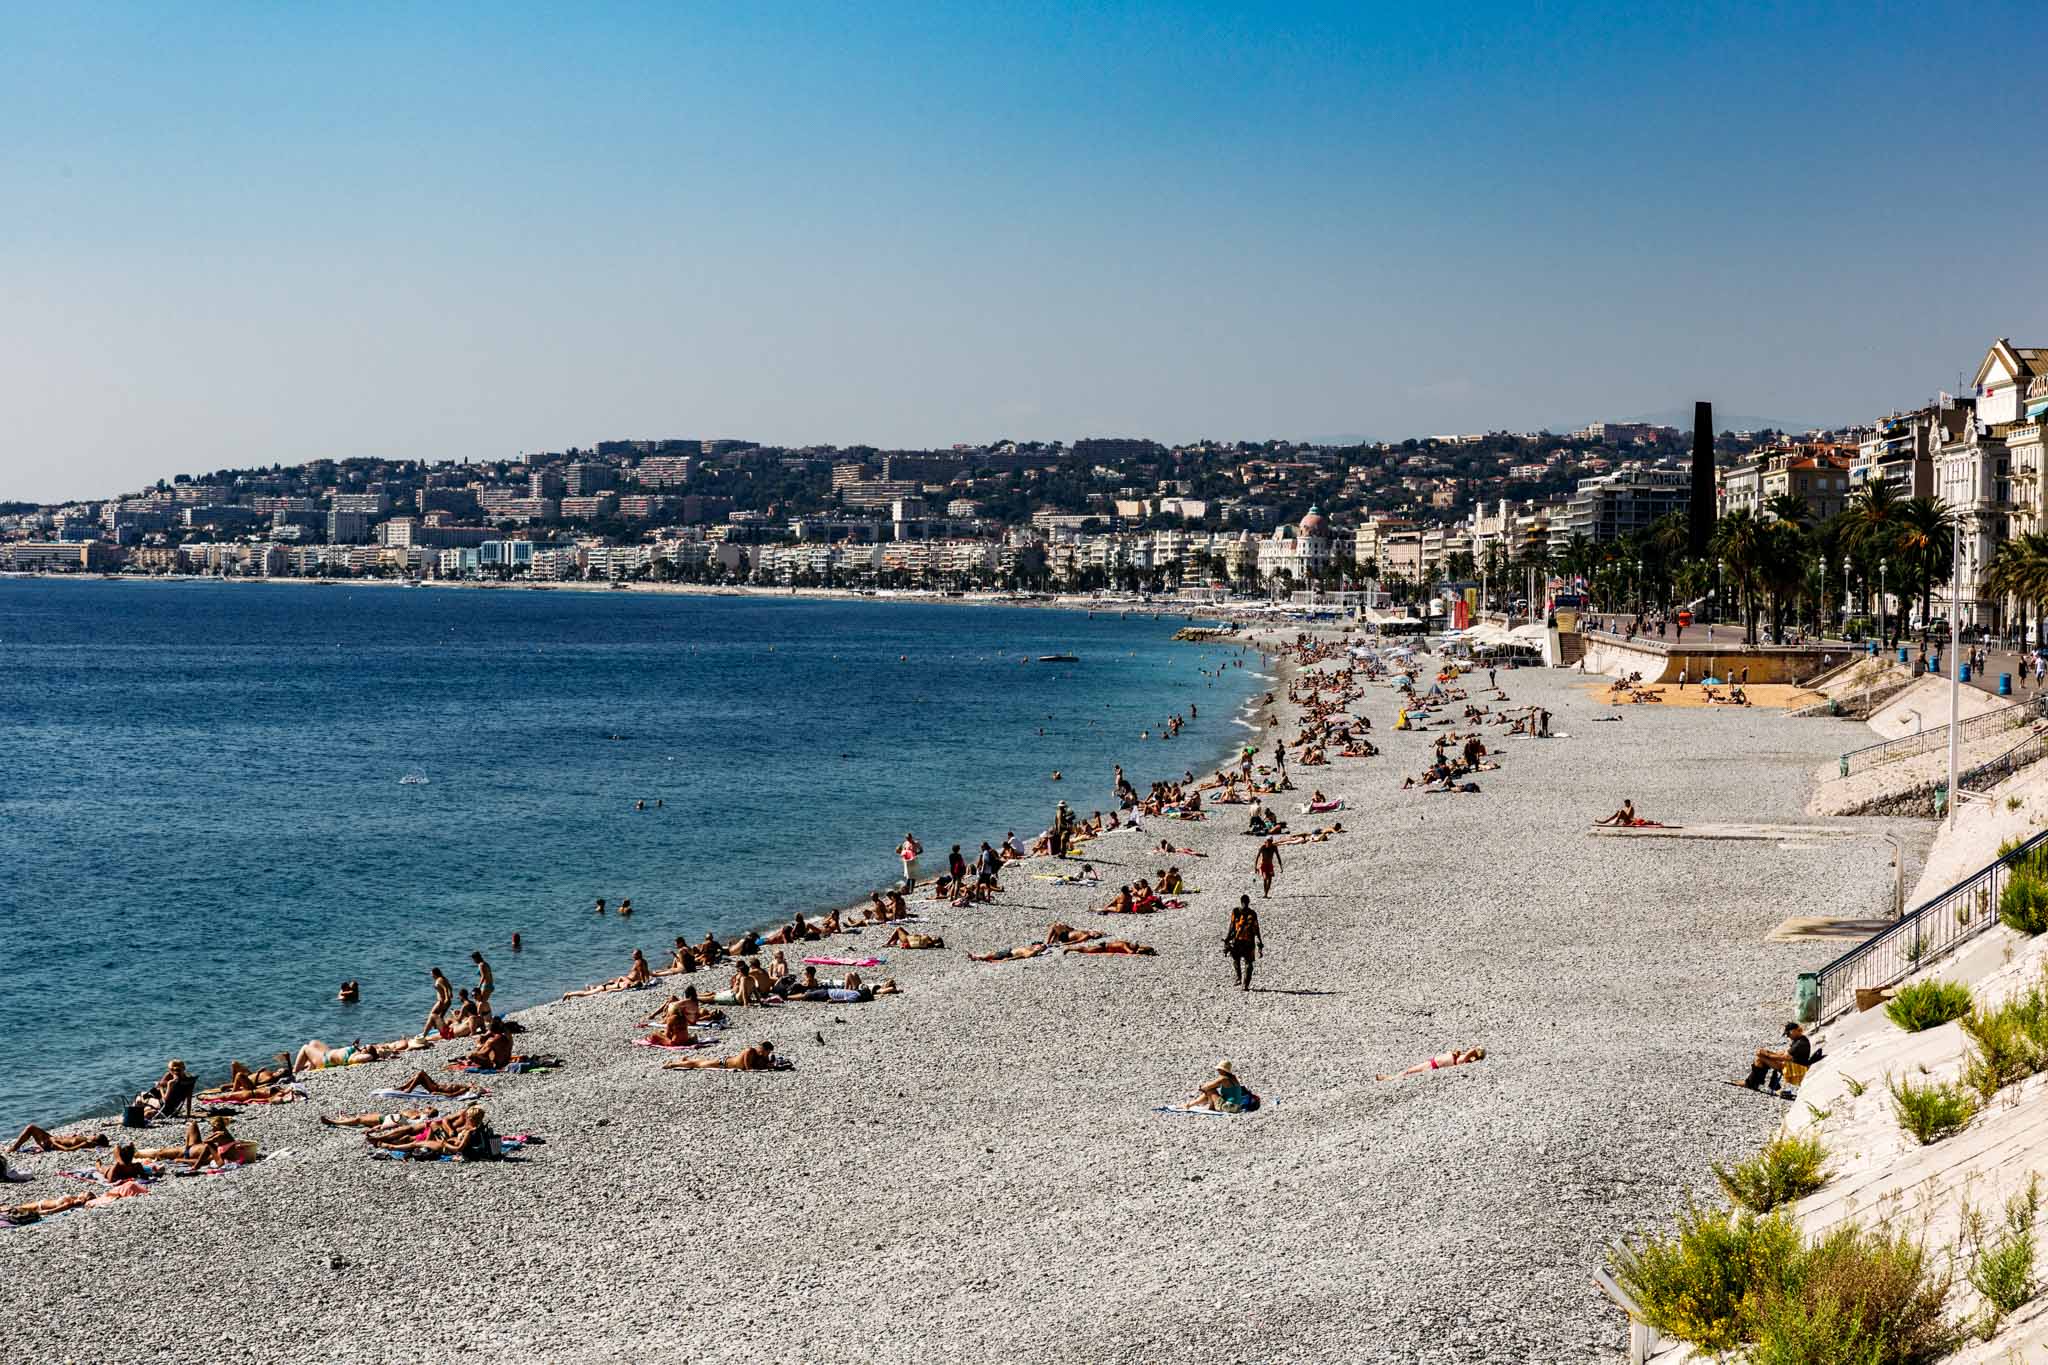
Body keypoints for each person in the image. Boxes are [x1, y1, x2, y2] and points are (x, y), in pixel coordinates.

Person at [1742, 1022, 1814, 1091]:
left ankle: (1750, 1083)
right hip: (1792, 1065)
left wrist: (1767, 1055)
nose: (1788, 1036)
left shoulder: (1800, 1043)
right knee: (1761, 1057)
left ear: (1794, 1031)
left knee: (1760, 1058)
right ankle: (1751, 1083)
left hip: (1795, 1069)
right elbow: (1784, 1053)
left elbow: (1786, 1057)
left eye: (1788, 1034)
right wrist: (1767, 1052)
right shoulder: (1799, 1040)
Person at [1183, 1061, 1260, 1112]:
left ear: (1223, 1070)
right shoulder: (1233, 1078)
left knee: (1210, 1091)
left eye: (1219, 1069)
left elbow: (1207, 1087)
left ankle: (1191, 1105)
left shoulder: (1223, 1078)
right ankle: (1190, 1104)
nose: (1218, 1071)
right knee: (1211, 1092)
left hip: (1228, 1107)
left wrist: (1202, 1087)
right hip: (1237, 1107)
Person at [1378, 1047, 1486, 1081]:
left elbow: (1470, 1052)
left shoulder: (1465, 1060)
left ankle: (1388, 1078)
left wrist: (1476, 1050)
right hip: (1433, 1063)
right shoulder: (1464, 1057)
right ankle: (1389, 1078)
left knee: (1408, 1072)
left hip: (1433, 1065)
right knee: (1409, 1071)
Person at [1225, 896, 1263, 992]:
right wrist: (1227, 938)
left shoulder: (1244, 912)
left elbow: (1255, 928)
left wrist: (1259, 940)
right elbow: (1232, 925)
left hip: (1244, 941)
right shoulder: (1240, 912)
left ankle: (1244, 983)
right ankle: (1240, 980)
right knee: (1238, 960)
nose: (1245, 904)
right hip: (1242, 941)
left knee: (1247, 962)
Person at [664, 1041, 780, 1071]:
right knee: (698, 1065)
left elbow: (761, 1065)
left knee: (703, 1062)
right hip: (724, 1063)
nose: (767, 1055)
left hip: (726, 1061)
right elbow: (748, 1068)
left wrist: (768, 1064)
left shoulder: (760, 1055)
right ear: (762, 1049)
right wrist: (766, 1065)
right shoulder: (750, 1051)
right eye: (766, 1052)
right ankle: (673, 1064)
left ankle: (687, 1059)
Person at [8, 1125, 111, 1154]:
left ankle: (14, 1148)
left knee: (30, 1128)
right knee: (31, 1128)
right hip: (51, 1138)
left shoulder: (86, 1142)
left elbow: (67, 1149)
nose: (93, 1134)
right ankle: (15, 1147)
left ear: (95, 1140)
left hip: (49, 1143)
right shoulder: (86, 1140)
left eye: (95, 1135)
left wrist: (54, 1143)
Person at [423, 967, 455, 1037]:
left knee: (432, 1014)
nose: (431, 976)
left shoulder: (439, 980)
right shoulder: (443, 978)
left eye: (432, 974)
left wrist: (447, 998)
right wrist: (450, 995)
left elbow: (446, 989)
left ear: (435, 974)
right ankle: (441, 1030)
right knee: (440, 1016)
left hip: (442, 1001)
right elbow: (449, 987)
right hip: (447, 1001)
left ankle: (426, 1033)